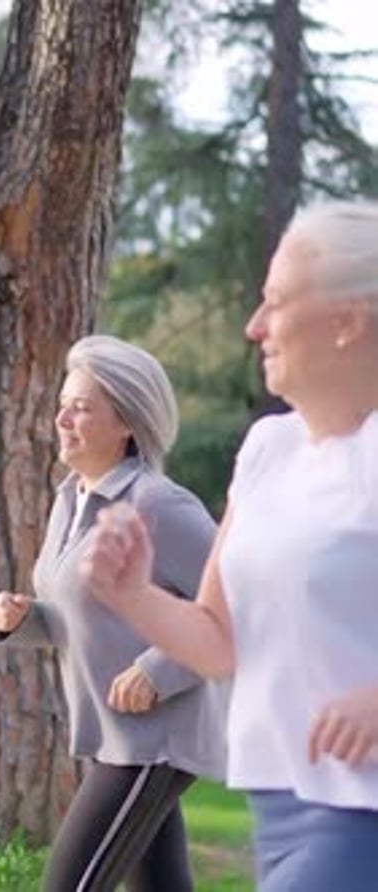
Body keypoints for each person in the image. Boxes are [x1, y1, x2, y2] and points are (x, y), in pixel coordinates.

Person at [81, 200, 378, 892]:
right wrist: (133, 593)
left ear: (348, 320)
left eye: (275, 303)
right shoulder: (268, 450)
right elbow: (219, 641)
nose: (254, 327)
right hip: (277, 805)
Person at [0, 334, 228, 892]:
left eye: (81, 407)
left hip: (156, 741)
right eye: (63, 405)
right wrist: (24, 618)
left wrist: (158, 670)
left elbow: (236, 608)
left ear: (125, 422)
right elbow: (79, 617)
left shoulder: (158, 504)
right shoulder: (70, 499)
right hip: (116, 736)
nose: (62, 419)